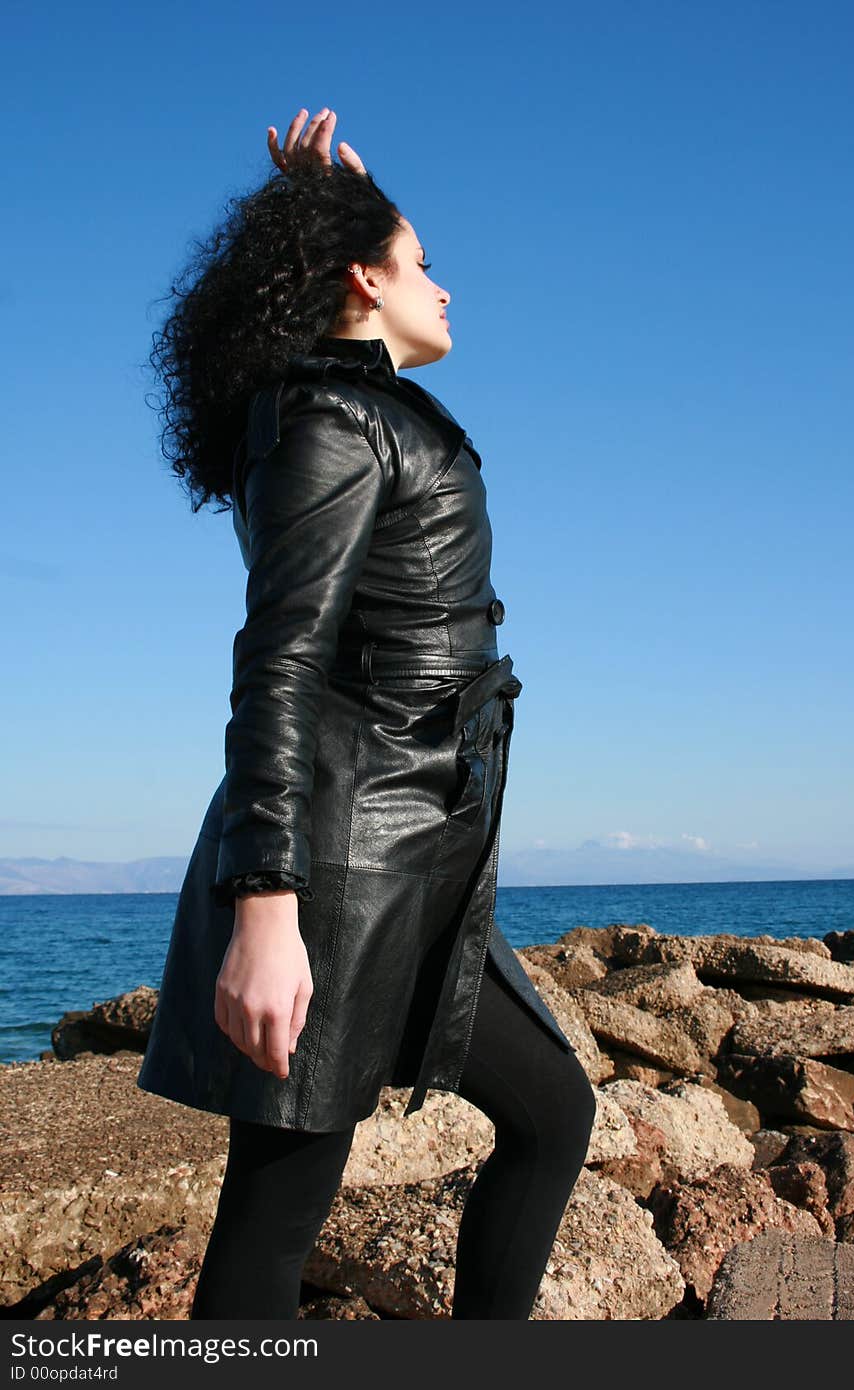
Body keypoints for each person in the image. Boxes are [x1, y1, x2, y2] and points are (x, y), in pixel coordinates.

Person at [137, 105, 596, 1320]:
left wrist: (332, 195)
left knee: (551, 1110)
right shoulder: (329, 423)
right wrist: (267, 909)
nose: (444, 286)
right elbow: (278, 661)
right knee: (277, 1216)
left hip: (423, 854)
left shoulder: (354, 409)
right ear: (363, 280)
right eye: (423, 261)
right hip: (339, 867)